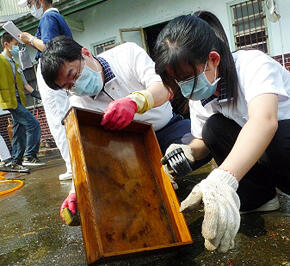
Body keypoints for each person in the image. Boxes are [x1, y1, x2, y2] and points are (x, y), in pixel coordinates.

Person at [153, 13, 290, 253]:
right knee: (212, 128)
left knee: (275, 135)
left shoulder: (252, 65)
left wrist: (222, 178)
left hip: (284, 145)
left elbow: (264, 121)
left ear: (213, 59)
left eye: (185, 77)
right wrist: (186, 152)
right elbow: (202, 141)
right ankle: (259, 199)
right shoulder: (200, 94)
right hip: (268, 154)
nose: (183, 87)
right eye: (176, 80)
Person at [40, 36, 211, 221]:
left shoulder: (126, 54)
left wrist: (135, 102)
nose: (76, 86)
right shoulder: (78, 104)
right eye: (68, 87)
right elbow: (85, 154)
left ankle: (162, 175)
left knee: (202, 141)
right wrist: (77, 190)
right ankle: (157, 177)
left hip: (166, 130)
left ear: (85, 53)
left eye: (74, 75)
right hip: (129, 153)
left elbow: (164, 88)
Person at [18, 0, 73, 180]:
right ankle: (73, 163)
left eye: (31, 3)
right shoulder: (55, 17)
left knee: (58, 120)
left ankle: (71, 165)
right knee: (63, 116)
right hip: (59, 73)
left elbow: (49, 47)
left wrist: (30, 39)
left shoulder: (49, 18)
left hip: (52, 73)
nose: (31, 8)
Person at [0, 33, 43, 169]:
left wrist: (37, 94)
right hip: (9, 100)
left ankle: (16, 161)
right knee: (33, 124)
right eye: (16, 44)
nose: (17, 47)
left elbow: (25, 84)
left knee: (18, 130)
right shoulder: (0, 60)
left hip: (19, 100)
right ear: (6, 44)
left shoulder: (16, 63)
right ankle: (29, 156)